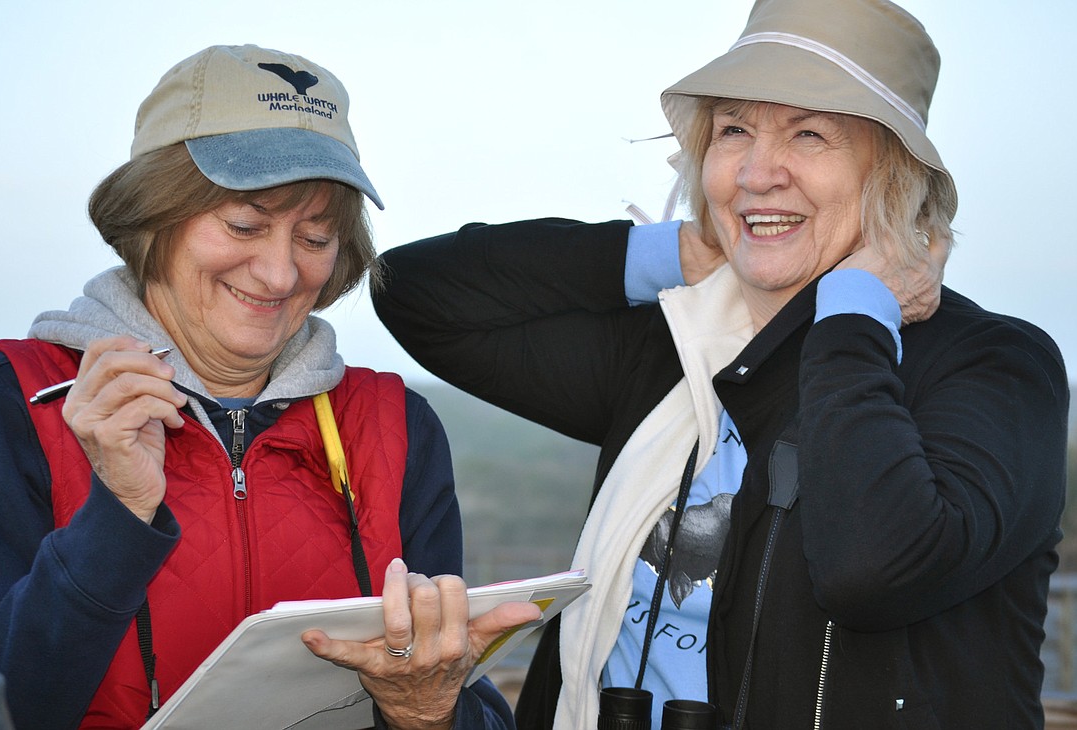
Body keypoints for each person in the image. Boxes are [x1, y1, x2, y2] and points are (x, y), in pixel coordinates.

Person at [371, 0, 1070, 727]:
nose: (758, 173)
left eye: (810, 132)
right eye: (734, 129)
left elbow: (875, 568)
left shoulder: (993, 365)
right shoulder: (674, 345)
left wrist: (856, 310)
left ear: (890, 175)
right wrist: (663, 252)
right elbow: (418, 295)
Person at [0, 44, 540, 730]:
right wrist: (118, 514)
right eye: (245, 224)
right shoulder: (12, 403)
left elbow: (470, 706)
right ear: (153, 215)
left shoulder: (396, 424)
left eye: (315, 236)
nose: (279, 275)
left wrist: (426, 712)